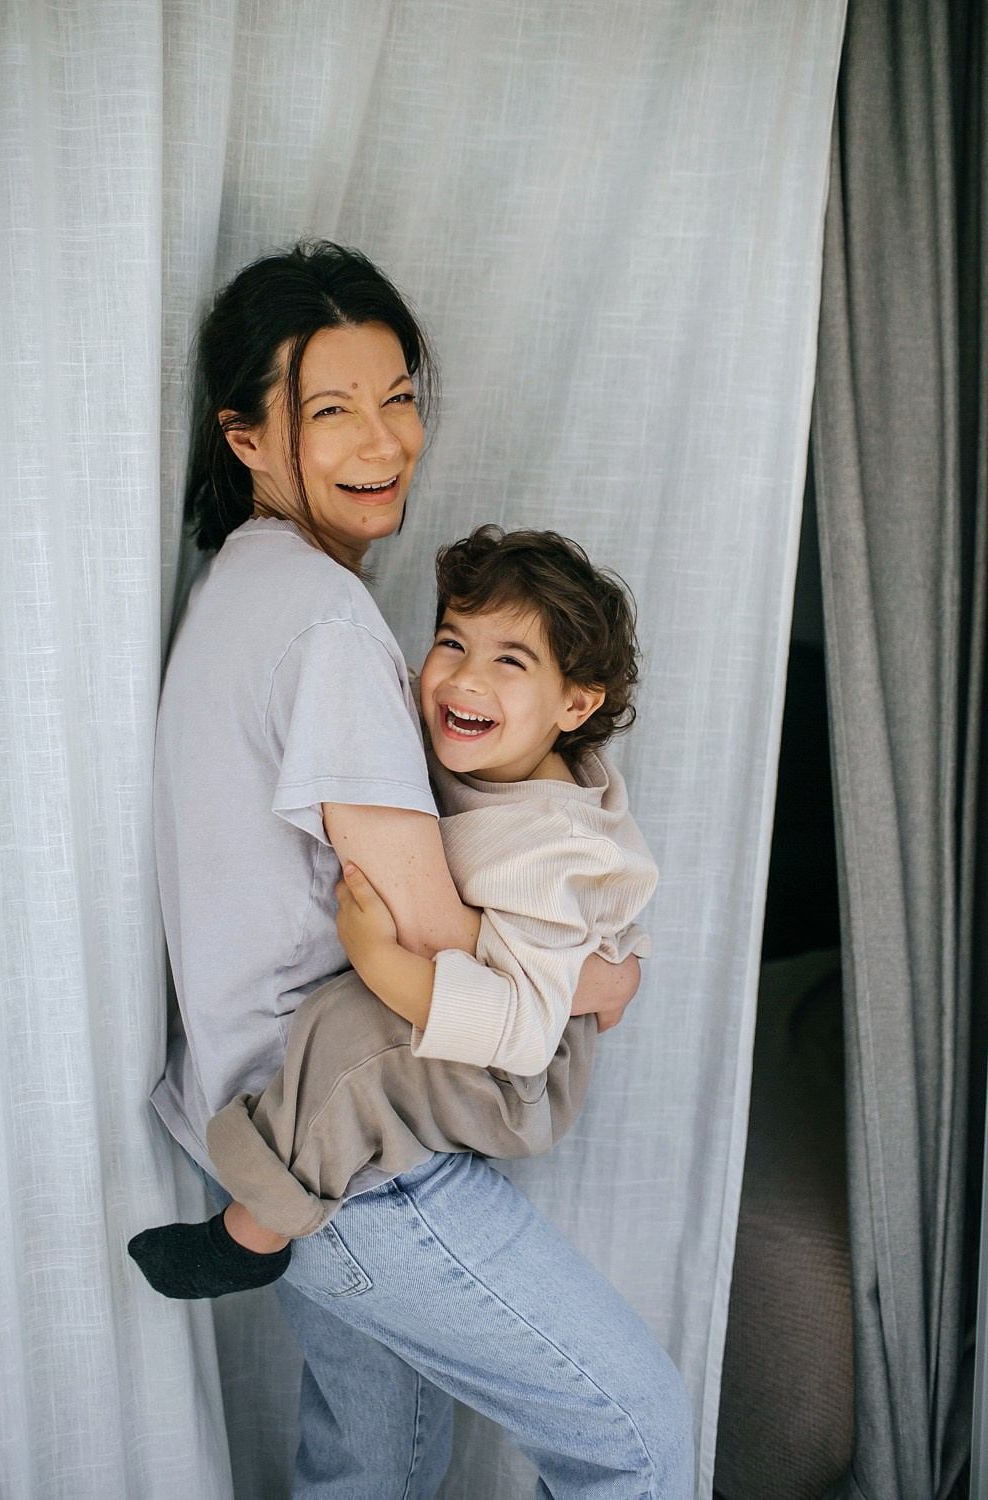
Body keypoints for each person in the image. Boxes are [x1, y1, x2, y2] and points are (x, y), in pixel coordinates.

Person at [140, 240, 693, 1499]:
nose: (380, 440)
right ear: (246, 438)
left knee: (369, 1465)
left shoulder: (243, 586)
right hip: (360, 1154)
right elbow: (435, 942)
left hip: (262, 1112)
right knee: (637, 1435)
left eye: (396, 398)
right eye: (328, 410)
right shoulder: (329, 626)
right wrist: (584, 992)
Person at [129, 524, 658, 1298]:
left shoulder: (557, 846)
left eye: (509, 661)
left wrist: (380, 960)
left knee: (352, 1035)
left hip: (522, 1071)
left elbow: (520, 1026)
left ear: (575, 702)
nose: (463, 680)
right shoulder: (471, 742)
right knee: (336, 1018)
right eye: (452, 642)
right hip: (500, 1012)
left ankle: (254, 1232)